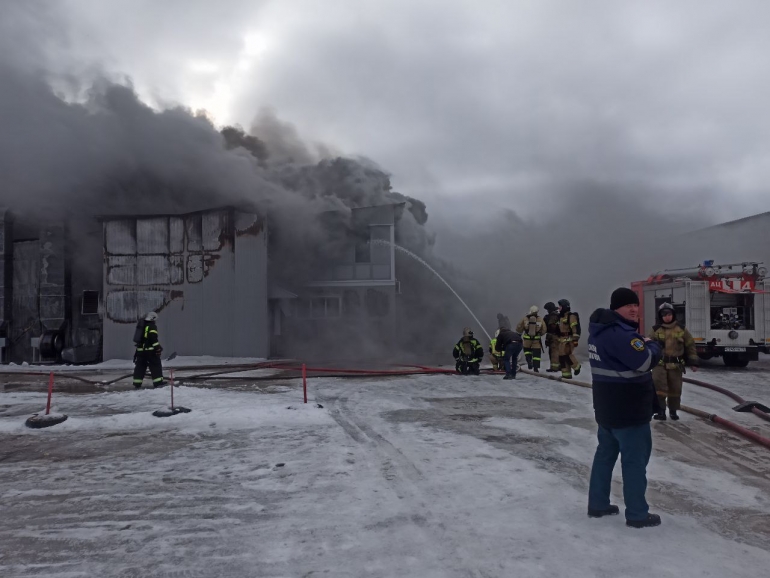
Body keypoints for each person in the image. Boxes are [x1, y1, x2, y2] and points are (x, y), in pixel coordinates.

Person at [587, 287, 663, 529]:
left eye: (636, 305)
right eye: (627, 305)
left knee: (604, 456)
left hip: (607, 409)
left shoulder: (598, 333)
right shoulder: (621, 335)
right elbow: (645, 362)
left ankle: (598, 504)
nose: (633, 309)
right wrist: (652, 346)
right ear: (615, 308)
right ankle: (638, 514)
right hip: (629, 411)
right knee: (634, 463)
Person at [648, 303, 699, 421]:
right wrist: (655, 344)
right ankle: (660, 411)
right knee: (659, 388)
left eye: (669, 314)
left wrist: (694, 362)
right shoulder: (655, 330)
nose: (667, 317)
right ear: (660, 316)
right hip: (659, 364)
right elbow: (648, 345)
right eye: (664, 315)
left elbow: (690, 345)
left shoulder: (681, 329)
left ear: (673, 314)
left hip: (676, 365)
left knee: (675, 389)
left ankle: (673, 411)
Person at [132, 311, 166, 388]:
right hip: (150, 351)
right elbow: (153, 338)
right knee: (155, 366)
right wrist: (158, 348)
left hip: (140, 351)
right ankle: (158, 383)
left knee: (140, 367)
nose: (155, 321)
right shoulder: (151, 326)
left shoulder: (142, 325)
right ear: (152, 318)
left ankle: (137, 383)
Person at [556, 298, 581, 378]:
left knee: (566, 355)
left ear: (564, 306)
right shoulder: (561, 317)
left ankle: (577, 366)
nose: (558, 308)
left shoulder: (571, 316)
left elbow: (574, 328)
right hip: (562, 340)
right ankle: (566, 375)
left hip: (569, 340)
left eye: (560, 306)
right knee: (561, 357)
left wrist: (575, 339)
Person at [516, 306, 545, 372]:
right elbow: (544, 329)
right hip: (536, 340)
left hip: (527, 339)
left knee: (527, 350)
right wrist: (539, 334)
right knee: (536, 354)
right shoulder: (540, 319)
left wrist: (521, 332)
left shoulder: (525, 318)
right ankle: (536, 368)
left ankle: (529, 361)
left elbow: (519, 327)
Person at [543, 302, 562, 373]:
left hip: (554, 336)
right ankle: (559, 366)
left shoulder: (553, 315)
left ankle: (554, 367)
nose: (547, 311)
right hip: (558, 335)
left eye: (547, 309)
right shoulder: (557, 314)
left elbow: (552, 327)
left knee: (554, 352)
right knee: (557, 351)